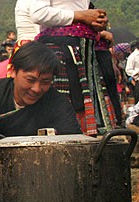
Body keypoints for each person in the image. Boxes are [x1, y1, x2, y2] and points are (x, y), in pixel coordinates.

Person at [31, 0, 116, 135]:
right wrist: (81, 16)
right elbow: (38, 14)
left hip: (84, 53)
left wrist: (95, 22)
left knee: (85, 112)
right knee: (65, 114)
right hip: (61, 51)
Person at [0, 41, 82, 141]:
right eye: (30, 80)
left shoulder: (58, 102)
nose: (37, 89)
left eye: (45, 81)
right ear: (13, 71)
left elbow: (71, 141)